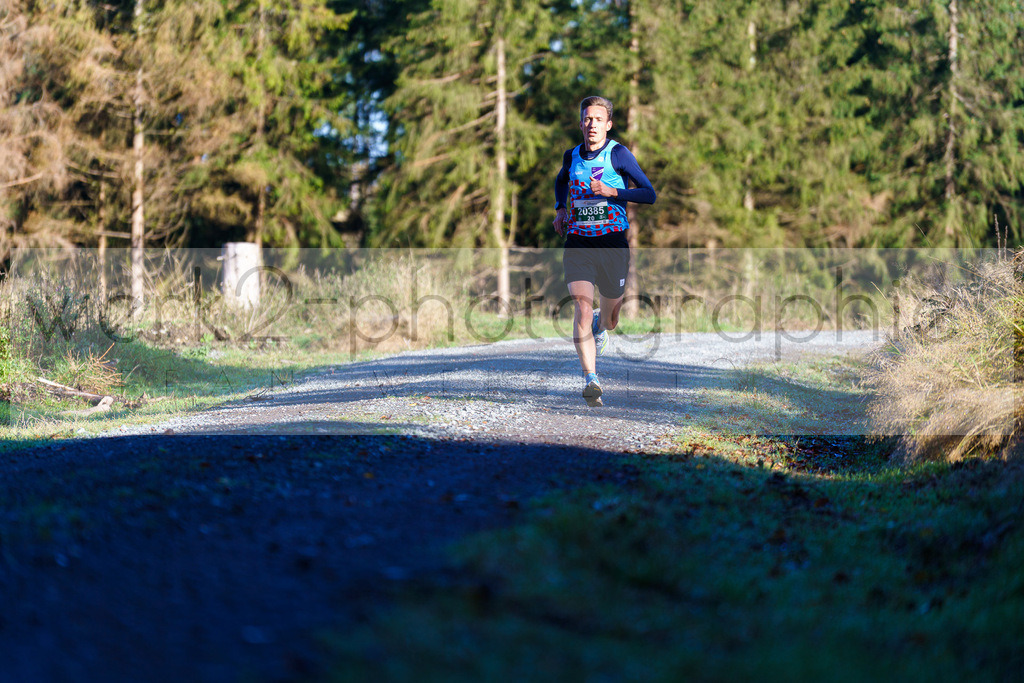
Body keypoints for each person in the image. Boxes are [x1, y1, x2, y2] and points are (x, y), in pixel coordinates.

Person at [553, 95, 656, 407]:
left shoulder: (619, 154)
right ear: (581, 123)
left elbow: (649, 193)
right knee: (581, 308)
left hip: (612, 245)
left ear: (608, 125)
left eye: (598, 119)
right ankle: (591, 379)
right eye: (587, 119)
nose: (591, 124)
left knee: (610, 320)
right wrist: (560, 208)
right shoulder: (571, 156)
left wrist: (615, 191)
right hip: (578, 244)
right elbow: (561, 181)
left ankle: (601, 325)